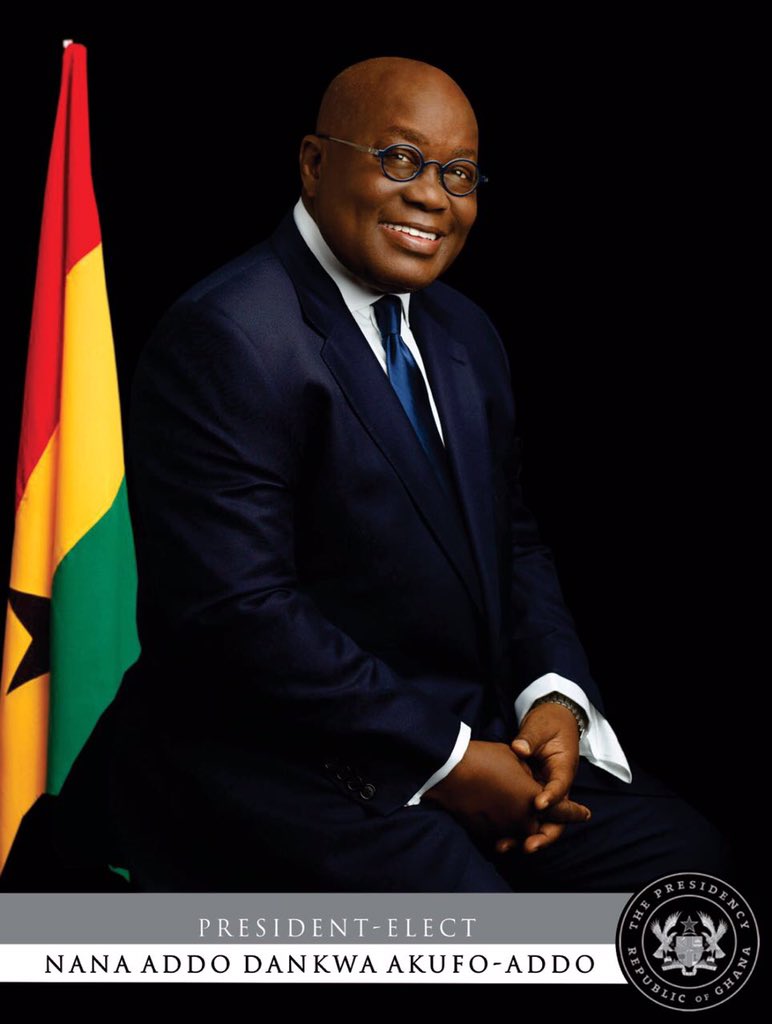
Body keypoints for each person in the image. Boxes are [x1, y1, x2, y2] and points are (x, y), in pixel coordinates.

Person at [36, 55, 726, 892]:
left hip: (469, 735)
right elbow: (240, 615)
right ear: (313, 162)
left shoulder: (467, 334)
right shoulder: (227, 335)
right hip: (288, 770)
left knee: (683, 874)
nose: (432, 196)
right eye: (400, 159)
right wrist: (453, 761)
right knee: (477, 935)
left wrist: (553, 697)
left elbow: (510, 542)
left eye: (459, 174)